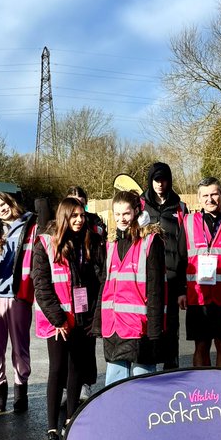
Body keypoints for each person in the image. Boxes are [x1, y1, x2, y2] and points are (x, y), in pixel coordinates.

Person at [31, 198, 105, 440]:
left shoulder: (92, 242)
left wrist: (94, 318)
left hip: (82, 318)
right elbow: (41, 285)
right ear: (63, 216)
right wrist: (58, 319)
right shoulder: (44, 244)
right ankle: (51, 432)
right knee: (58, 370)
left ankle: (70, 422)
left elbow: (99, 281)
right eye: (73, 215)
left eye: (81, 215)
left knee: (77, 370)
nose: (79, 220)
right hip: (58, 322)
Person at [95, 190, 165, 383]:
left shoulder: (151, 242)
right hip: (113, 325)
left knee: (143, 384)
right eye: (117, 214)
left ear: (136, 211)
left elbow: (156, 290)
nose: (121, 219)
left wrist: (155, 329)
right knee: (114, 385)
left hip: (139, 327)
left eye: (126, 213)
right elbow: (105, 286)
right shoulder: (110, 244)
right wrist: (97, 321)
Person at [182, 177, 221, 367]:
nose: (210, 199)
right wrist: (180, 291)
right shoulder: (188, 221)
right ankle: (201, 390)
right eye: (205, 195)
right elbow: (181, 258)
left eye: (214, 194)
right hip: (197, 296)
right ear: (198, 198)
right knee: (201, 346)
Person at [0, 191, 37, 412]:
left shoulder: (30, 223)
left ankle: (20, 388)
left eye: (3, 204)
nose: (1, 209)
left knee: (20, 347)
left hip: (19, 296)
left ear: (10, 202)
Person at [139, 162, 187, 369]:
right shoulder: (140, 205)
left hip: (173, 276)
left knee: (171, 325)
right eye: (156, 180)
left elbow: (185, 247)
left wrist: (183, 286)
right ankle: (148, 367)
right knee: (149, 321)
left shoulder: (180, 207)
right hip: (147, 276)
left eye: (164, 179)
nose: (160, 184)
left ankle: (171, 367)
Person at [66, 185, 102, 399]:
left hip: (89, 293)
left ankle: (87, 383)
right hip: (68, 296)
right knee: (68, 347)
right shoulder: (59, 230)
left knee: (88, 342)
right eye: (73, 200)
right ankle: (68, 386)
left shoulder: (94, 225)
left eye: (81, 200)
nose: (78, 202)